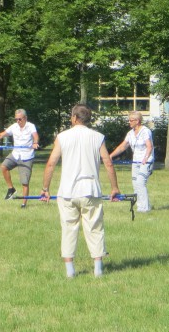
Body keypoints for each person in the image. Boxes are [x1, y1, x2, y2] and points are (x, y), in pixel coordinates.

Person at [39, 104, 121, 278]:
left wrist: (45, 188)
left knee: (69, 229)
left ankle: (70, 270)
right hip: (91, 191)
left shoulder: (62, 137)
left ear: (75, 118)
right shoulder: (98, 137)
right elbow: (108, 163)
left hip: (67, 192)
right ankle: (98, 269)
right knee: (95, 228)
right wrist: (114, 187)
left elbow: (51, 163)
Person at [0, 109, 40, 207]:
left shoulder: (30, 126)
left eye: (20, 119)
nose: (18, 121)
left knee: (24, 183)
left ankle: (23, 204)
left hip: (26, 157)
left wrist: (35, 143)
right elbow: (0, 135)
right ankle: (11, 189)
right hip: (15, 154)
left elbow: (35, 136)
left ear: (25, 118)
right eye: (16, 119)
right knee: (4, 166)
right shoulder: (14, 127)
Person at [108, 111, 153, 212]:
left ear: (137, 121)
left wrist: (146, 158)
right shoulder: (130, 133)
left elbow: (149, 146)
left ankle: (144, 208)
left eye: (131, 120)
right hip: (135, 161)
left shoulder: (145, 131)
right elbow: (123, 146)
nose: (129, 122)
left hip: (146, 162)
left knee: (140, 182)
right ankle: (142, 205)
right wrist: (111, 156)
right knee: (135, 184)